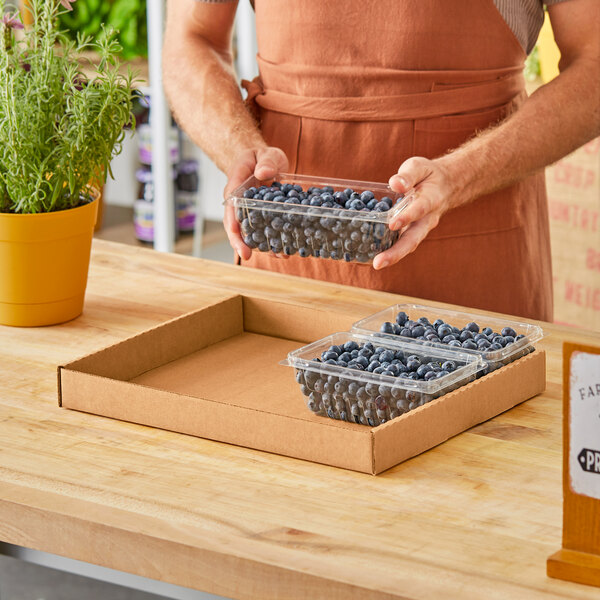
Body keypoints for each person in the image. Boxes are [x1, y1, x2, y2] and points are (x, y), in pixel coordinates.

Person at [163, 0, 600, 321]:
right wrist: (237, 147)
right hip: (287, 246)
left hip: (469, 248)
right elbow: (191, 36)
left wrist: (459, 175)